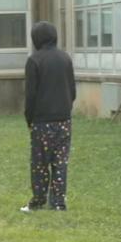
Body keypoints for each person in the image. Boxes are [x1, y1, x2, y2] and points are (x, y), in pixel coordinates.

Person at [21, 21, 76, 213]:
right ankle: (59, 202)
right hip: (64, 120)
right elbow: (72, 89)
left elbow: (31, 95)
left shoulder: (34, 60)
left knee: (40, 163)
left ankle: (38, 201)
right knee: (60, 162)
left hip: (42, 121)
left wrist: (30, 119)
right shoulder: (65, 58)